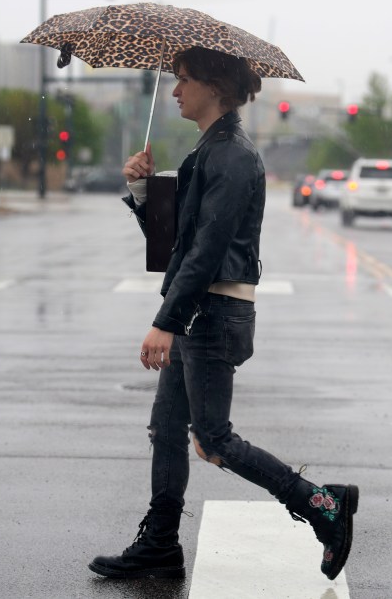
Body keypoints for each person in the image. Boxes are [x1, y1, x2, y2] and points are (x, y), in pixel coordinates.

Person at [89, 46, 359, 582]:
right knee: (167, 430)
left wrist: (166, 321)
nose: (175, 91)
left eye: (183, 79)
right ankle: (161, 546)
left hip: (212, 311)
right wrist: (143, 192)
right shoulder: (208, 151)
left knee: (213, 438)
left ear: (214, 85)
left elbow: (207, 252)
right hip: (199, 307)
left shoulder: (232, 156)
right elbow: (175, 246)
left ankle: (323, 506)